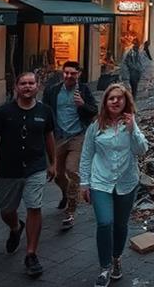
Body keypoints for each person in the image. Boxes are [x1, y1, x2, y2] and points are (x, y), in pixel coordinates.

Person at [0, 72, 56, 278]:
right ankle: (16, 227)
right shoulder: (5, 111)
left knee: (34, 206)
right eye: (23, 83)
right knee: (7, 210)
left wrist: (53, 163)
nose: (27, 87)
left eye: (31, 83)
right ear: (16, 87)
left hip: (35, 167)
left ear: (37, 86)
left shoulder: (45, 111)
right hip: (8, 169)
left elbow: (49, 136)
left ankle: (31, 254)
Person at [79, 83, 149, 287]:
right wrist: (84, 183)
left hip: (127, 182)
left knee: (120, 225)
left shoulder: (131, 125)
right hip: (100, 181)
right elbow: (86, 156)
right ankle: (104, 267)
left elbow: (141, 150)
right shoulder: (96, 126)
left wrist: (133, 127)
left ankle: (116, 257)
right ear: (106, 102)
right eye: (112, 98)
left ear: (126, 102)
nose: (116, 101)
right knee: (104, 223)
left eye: (120, 98)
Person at [40, 61, 97, 230]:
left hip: (77, 136)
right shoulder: (53, 91)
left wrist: (82, 105)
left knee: (72, 170)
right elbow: (45, 111)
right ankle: (66, 192)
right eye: (66, 73)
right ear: (62, 73)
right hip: (58, 137)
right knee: (56, 174)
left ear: (79, 73)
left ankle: (70, 211)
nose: (69, 76)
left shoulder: (84, 90)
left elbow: (94, 110)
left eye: (73, 73)